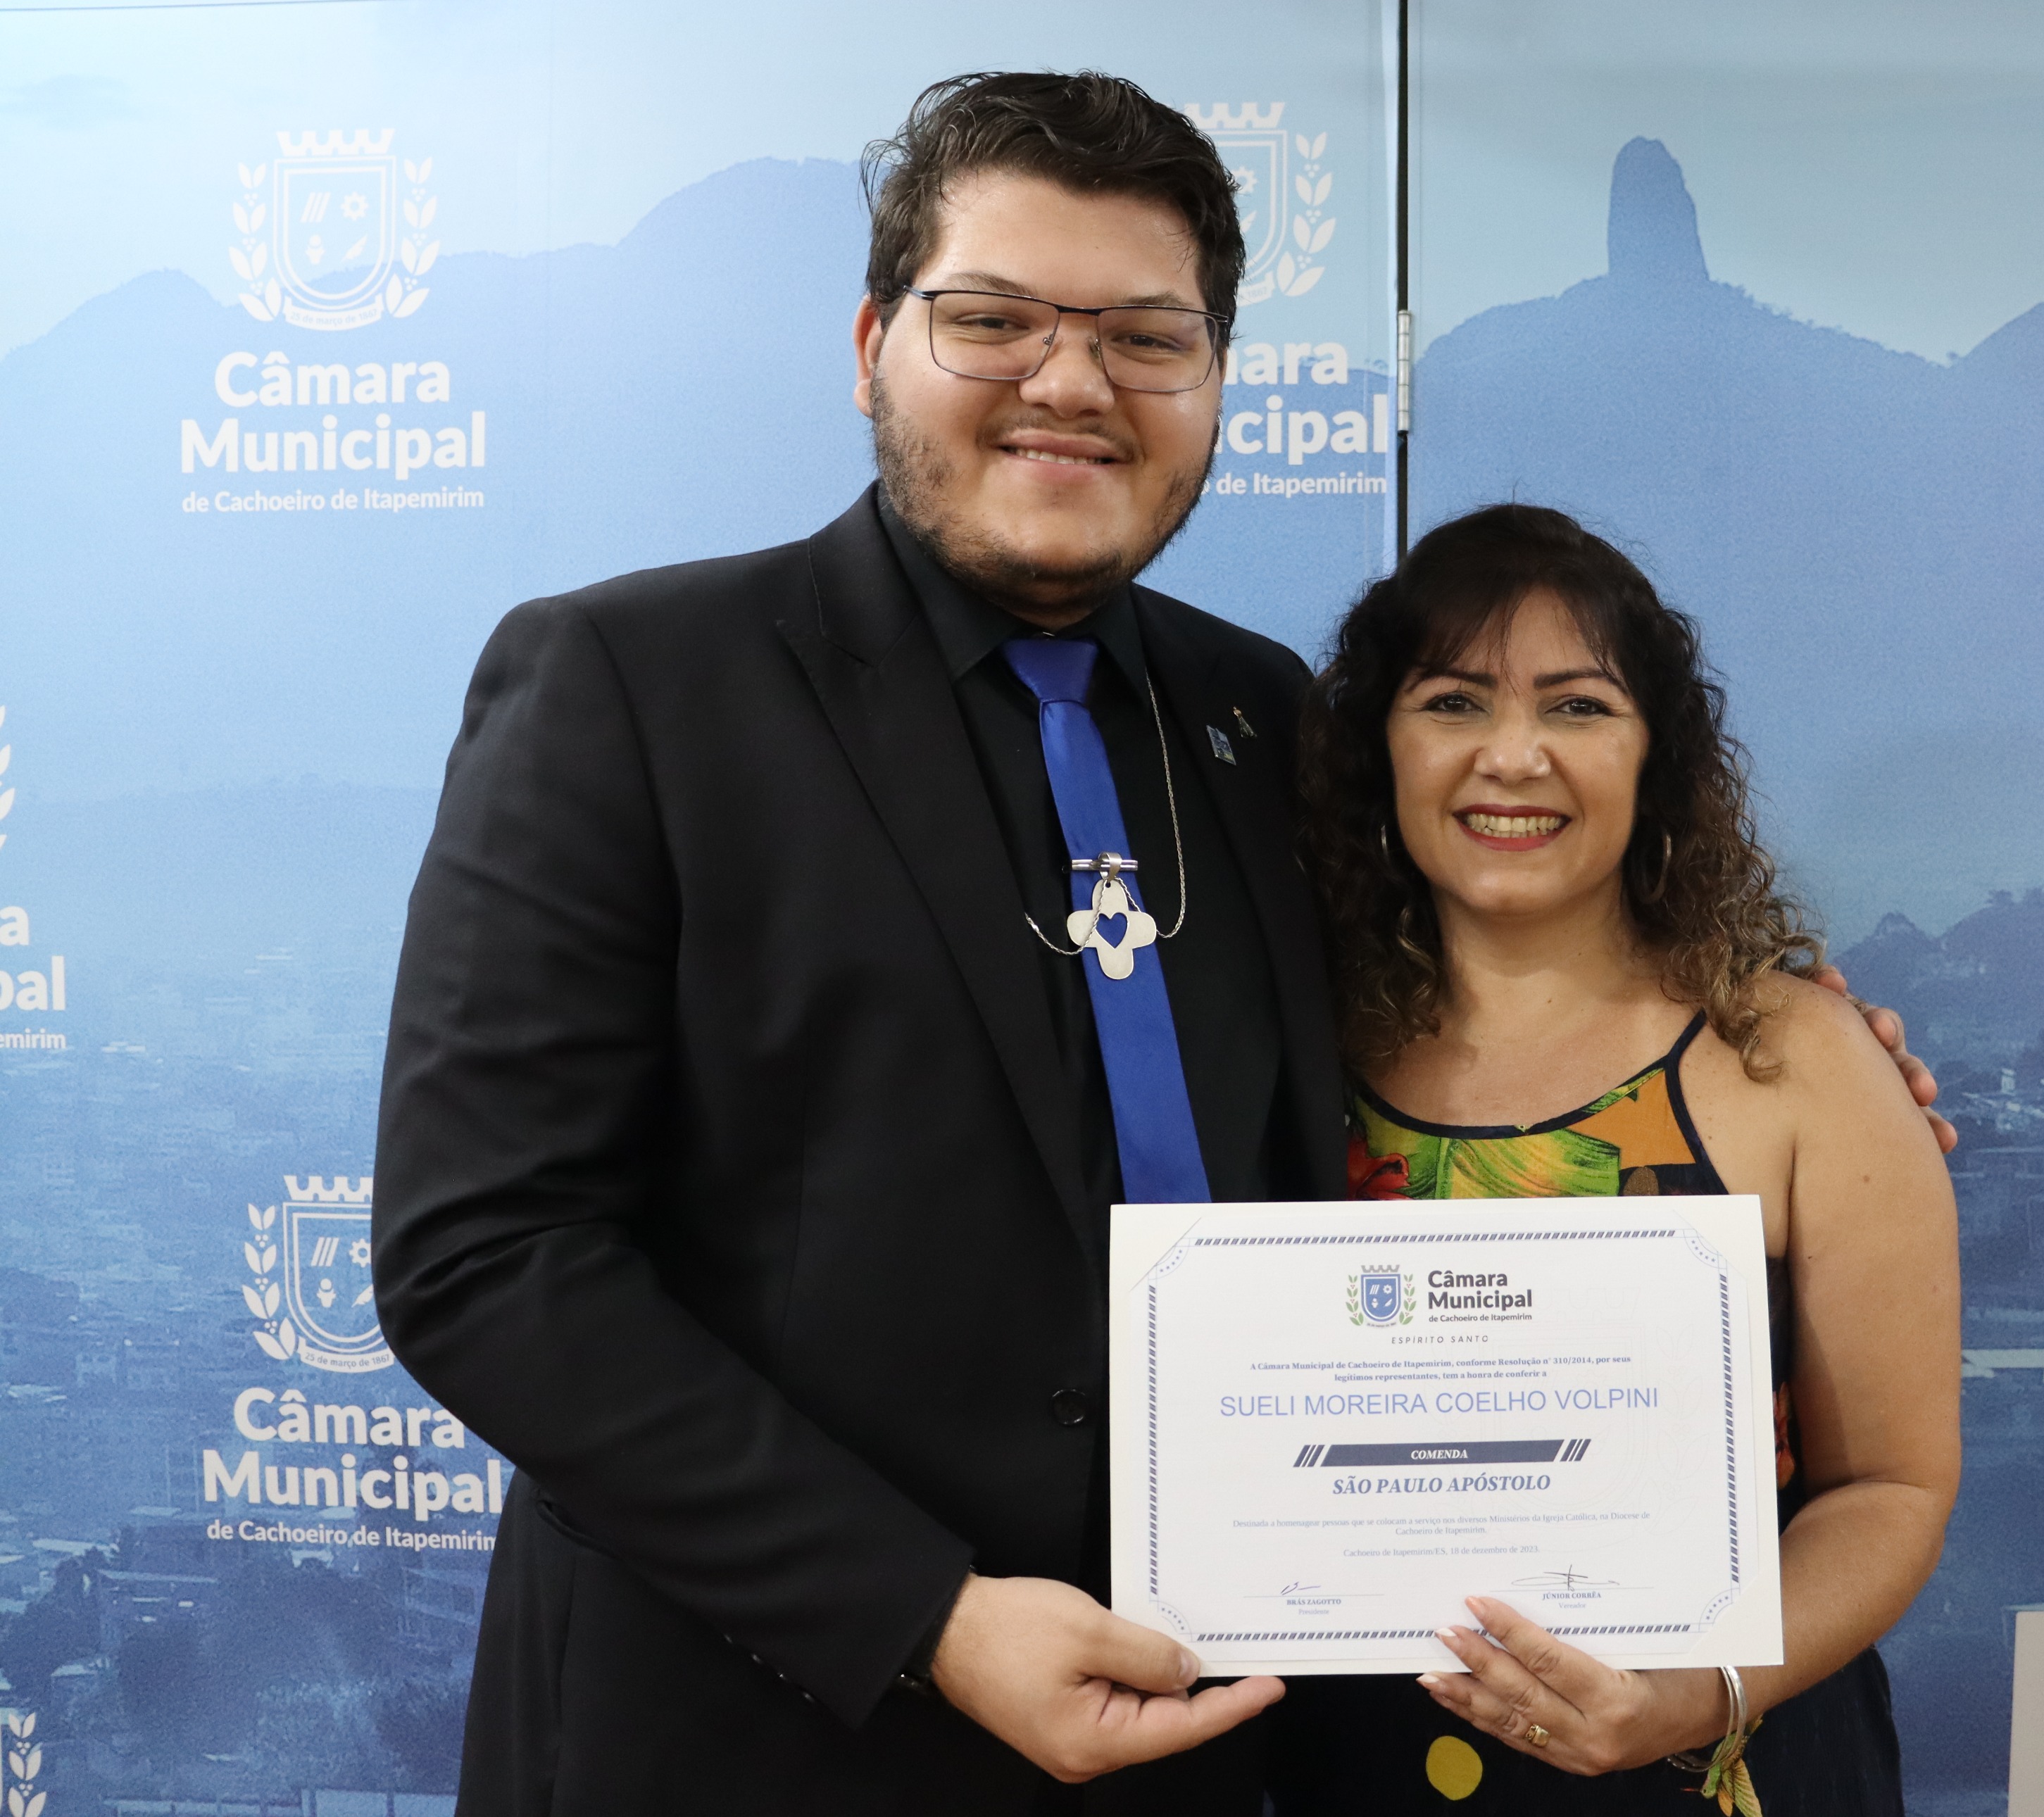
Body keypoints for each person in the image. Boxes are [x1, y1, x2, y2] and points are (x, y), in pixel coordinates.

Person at [374, 69, 1947, 1817]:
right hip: (758, 1739)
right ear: (874, 345)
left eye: (1143, 337)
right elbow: (485, 1256)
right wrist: (930, 1617)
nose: (1070, 383)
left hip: (1217, 1745)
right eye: (994, 320)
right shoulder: (632, 688)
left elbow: (1499, 1003)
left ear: (1212, 384)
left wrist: (1799, 1062)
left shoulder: (1263, 724)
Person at [1272, 504, 1959, 1815]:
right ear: (1379, 749)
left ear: (1657, 758)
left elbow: (1892, 1483)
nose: (1512, 756)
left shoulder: (1798, 1060)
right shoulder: (1276, 1051)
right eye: (1453, 702)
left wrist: (1698, 1692)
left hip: (1721, 1759)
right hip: (1357, 1770)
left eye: (1578, 707)